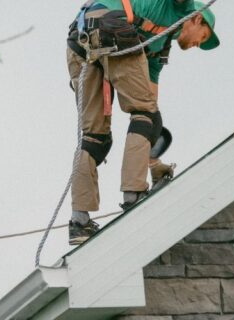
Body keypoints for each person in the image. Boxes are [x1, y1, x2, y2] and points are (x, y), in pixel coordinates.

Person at [65, 0, 220, 245]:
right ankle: (133, 195)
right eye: (202, 37)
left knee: (96, 138)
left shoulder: (158, 50)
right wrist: (148, 122)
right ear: (197, 18)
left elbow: (150, 109)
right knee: (144, 116)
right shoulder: (181, 6)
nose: (197, 45)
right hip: (113, 28)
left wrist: (152, 160)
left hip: (81, 39)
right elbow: (144, 115)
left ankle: (79, 222)